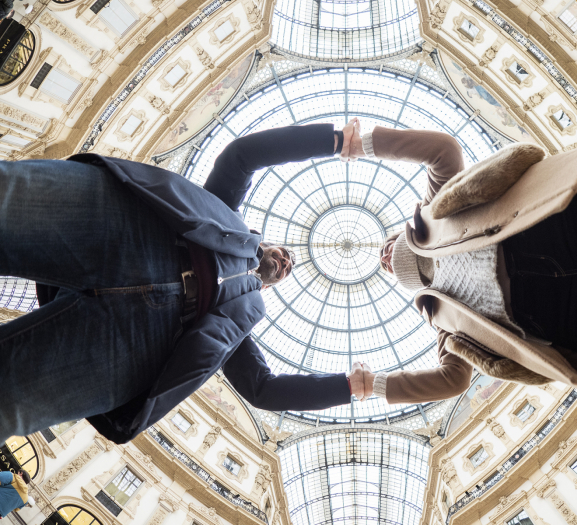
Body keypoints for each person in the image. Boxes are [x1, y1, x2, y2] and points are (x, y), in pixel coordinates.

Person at [0, 121, 374, 444]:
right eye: (286, 252)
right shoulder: (226, 215)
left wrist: (346, 387)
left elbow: (263, 389)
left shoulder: (240, 322)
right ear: (267, 242)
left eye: (289, 266)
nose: (287, 260)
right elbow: (242, 155)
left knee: (7, 399)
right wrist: (335, 141)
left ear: (271, 286)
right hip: (122, 224)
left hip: (129, 349)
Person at [339, 118, 577, 405]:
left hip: (573, 215)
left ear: (401, 233)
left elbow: (442, 150)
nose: (385, 256)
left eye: (385, 245)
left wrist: (364, 143)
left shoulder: (432, 211)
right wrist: (375, 385)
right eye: (384, 262)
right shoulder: (441, 320)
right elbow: (452, 380)